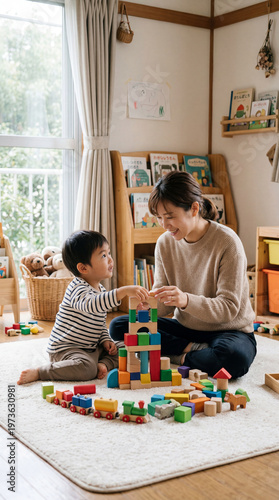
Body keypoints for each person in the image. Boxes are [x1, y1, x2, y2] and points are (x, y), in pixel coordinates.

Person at [110, 171, 256, 379]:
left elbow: (228, 309)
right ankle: (193, 349)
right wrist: (149, 305)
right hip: (186, 328)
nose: (164, 225)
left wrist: (186, 300)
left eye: (170, 217)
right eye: (159, 218)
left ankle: (180, 357)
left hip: (228, 330)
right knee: (119, 326)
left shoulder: (227, 242)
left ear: (194, 208)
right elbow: (165, 303)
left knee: (234, 358)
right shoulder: (164, 243)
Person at [17, 230, 149, 385]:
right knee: (86, 369)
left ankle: (104, 364)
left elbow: (99, 323)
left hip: (91, 347)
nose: (110, 259)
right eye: (103, 256)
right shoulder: (77, 288)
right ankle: (42, 371)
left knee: (127, 346)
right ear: (84, 268)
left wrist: (106, 340)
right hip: (66, 350)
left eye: (109, 253)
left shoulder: (101, 291)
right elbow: (92, 305)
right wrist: (123, 291)